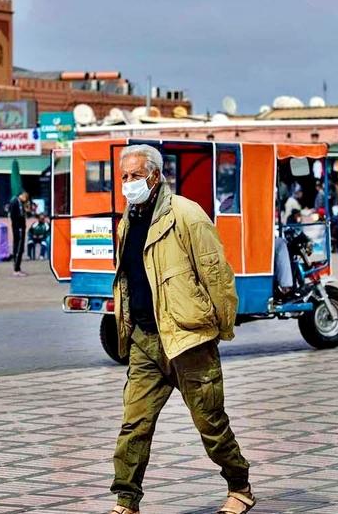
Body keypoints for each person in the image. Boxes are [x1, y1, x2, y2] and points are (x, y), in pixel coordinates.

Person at [109, 144, 252, 514]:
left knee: (211, 424)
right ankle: (127, 501)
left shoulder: (186, 215)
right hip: (145, 341)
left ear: (155, 177)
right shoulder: (127, 220)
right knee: (133, 427)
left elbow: (217, 274)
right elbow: (128, 279)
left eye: (135, 176)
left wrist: (220, 327)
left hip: (189, 340)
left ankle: (240, 487)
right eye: (123, 176)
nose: (127, 183)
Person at [8, 190, 29, 276]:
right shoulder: (17, 202)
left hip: (18, 227)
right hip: (19, 227)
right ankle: (16, 269)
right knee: (18, 248)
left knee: (17, 247)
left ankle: (17, 268)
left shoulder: (17, 202)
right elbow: (18, 215)